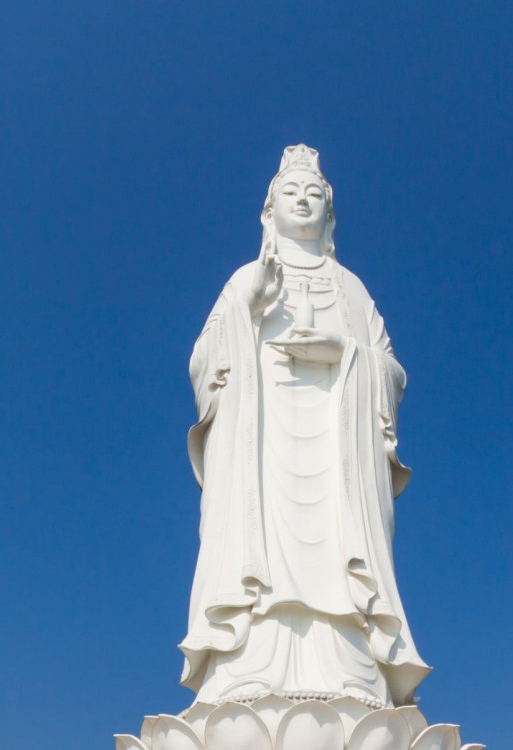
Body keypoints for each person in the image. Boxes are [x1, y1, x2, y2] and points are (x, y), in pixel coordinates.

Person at [181, 144, 428, 707]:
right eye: (290, 193)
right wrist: (245, 307)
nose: (302, 201)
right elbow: (203, 365)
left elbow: (390, 370)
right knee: (258, 547)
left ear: (330, 216)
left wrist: (344, 352)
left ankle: (350, 669)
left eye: (314, 195)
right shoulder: (245, 278)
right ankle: (248, 666)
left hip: (337, 449)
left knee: (338, 552)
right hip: (262, 443)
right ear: (268, 212)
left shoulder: (352, 290)